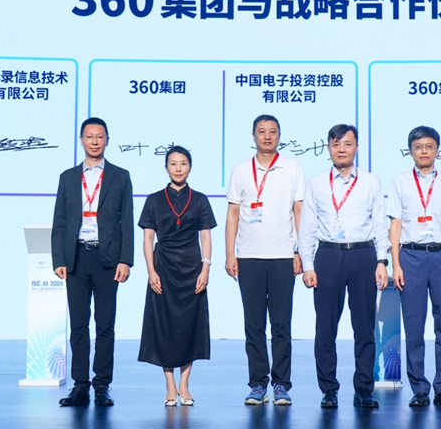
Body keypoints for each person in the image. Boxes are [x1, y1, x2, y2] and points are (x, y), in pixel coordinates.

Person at [299, 124, 390, 408]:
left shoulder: (370, 182)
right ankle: (329, 389)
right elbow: (307, 227)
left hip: (363, 255)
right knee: (325, 326)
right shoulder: (316, 183)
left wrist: (382, 260)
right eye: (336, 144)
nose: (342, 149)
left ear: (356, 148)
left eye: (347, 144)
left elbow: (380, 225)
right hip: (328, 255)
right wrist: (308, 264)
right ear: (328, 148)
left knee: (364, 326)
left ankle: (364, 388)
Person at [52, 117, 133, 407]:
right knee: (78, 325)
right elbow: (60, 221)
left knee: (105, 325)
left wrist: (125, 260)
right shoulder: (68, 177)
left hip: (107, 259)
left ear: (107, 140)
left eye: (100, 137)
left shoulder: (120, 176)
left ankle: (102, 385)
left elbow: (126, 221)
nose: (95, 141)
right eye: (89, 136)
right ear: (81, 140)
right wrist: (59, 258)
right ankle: (80, 385)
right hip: (76, 257)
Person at [225, 115, 304, 406]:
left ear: (279, 136)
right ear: (254, 136)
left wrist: (301, 252)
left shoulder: (292, 169)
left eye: (272, 131)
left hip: (283, 256)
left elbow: (299, 212)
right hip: (248, 257)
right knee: (254, 325)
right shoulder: (241, 171)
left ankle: (281, 384)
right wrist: (230, 254)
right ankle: (258, 384)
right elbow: (233, 214)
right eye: (262, 131)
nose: (267, 136)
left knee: (281, 324)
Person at [388, 126, 441, 408]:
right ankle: (419, 388)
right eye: (419, 147)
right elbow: (395, 225)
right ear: (410, 150)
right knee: (414, 325)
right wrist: (396, 264)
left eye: (429, 146)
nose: (424, 151)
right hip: (411, 257)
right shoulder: (399, 182)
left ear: (437, 150)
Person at [138, 146, 216, 406]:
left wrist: (205, 268)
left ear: (190, 167)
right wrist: (151, 271)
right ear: (166, 168)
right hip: (163, 267)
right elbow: (148, 238)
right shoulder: (154, 199)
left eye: (183, 163)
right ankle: (170, 383)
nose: (178, 168)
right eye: (173, 163)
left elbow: (206, 237)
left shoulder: (200, 199)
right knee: (164, 325)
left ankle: (184, 382)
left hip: (192, 268)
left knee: (189, 325)